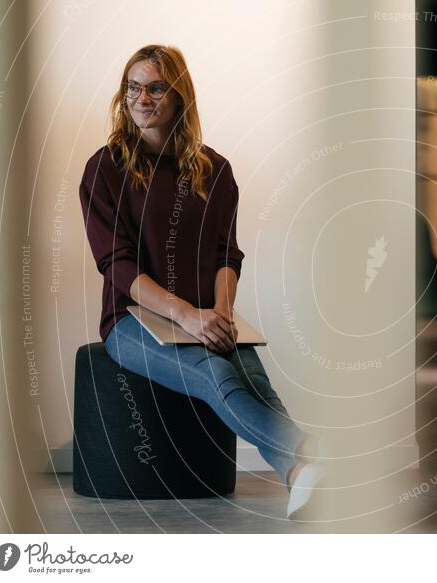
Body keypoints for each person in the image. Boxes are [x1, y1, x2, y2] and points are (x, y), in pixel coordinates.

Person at [78, 44, 322, 519]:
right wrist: (187, 315)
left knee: (254, 380)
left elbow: (226, 255)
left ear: (178, 96)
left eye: (154, 88)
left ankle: (300, 476)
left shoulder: (216, 170)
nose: (141, 99)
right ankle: (316, 455)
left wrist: (222, 313)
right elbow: (118, 266)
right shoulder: (103, 170)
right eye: (133, 87)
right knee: (216, 374)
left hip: (205, 314)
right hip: (131, 321)